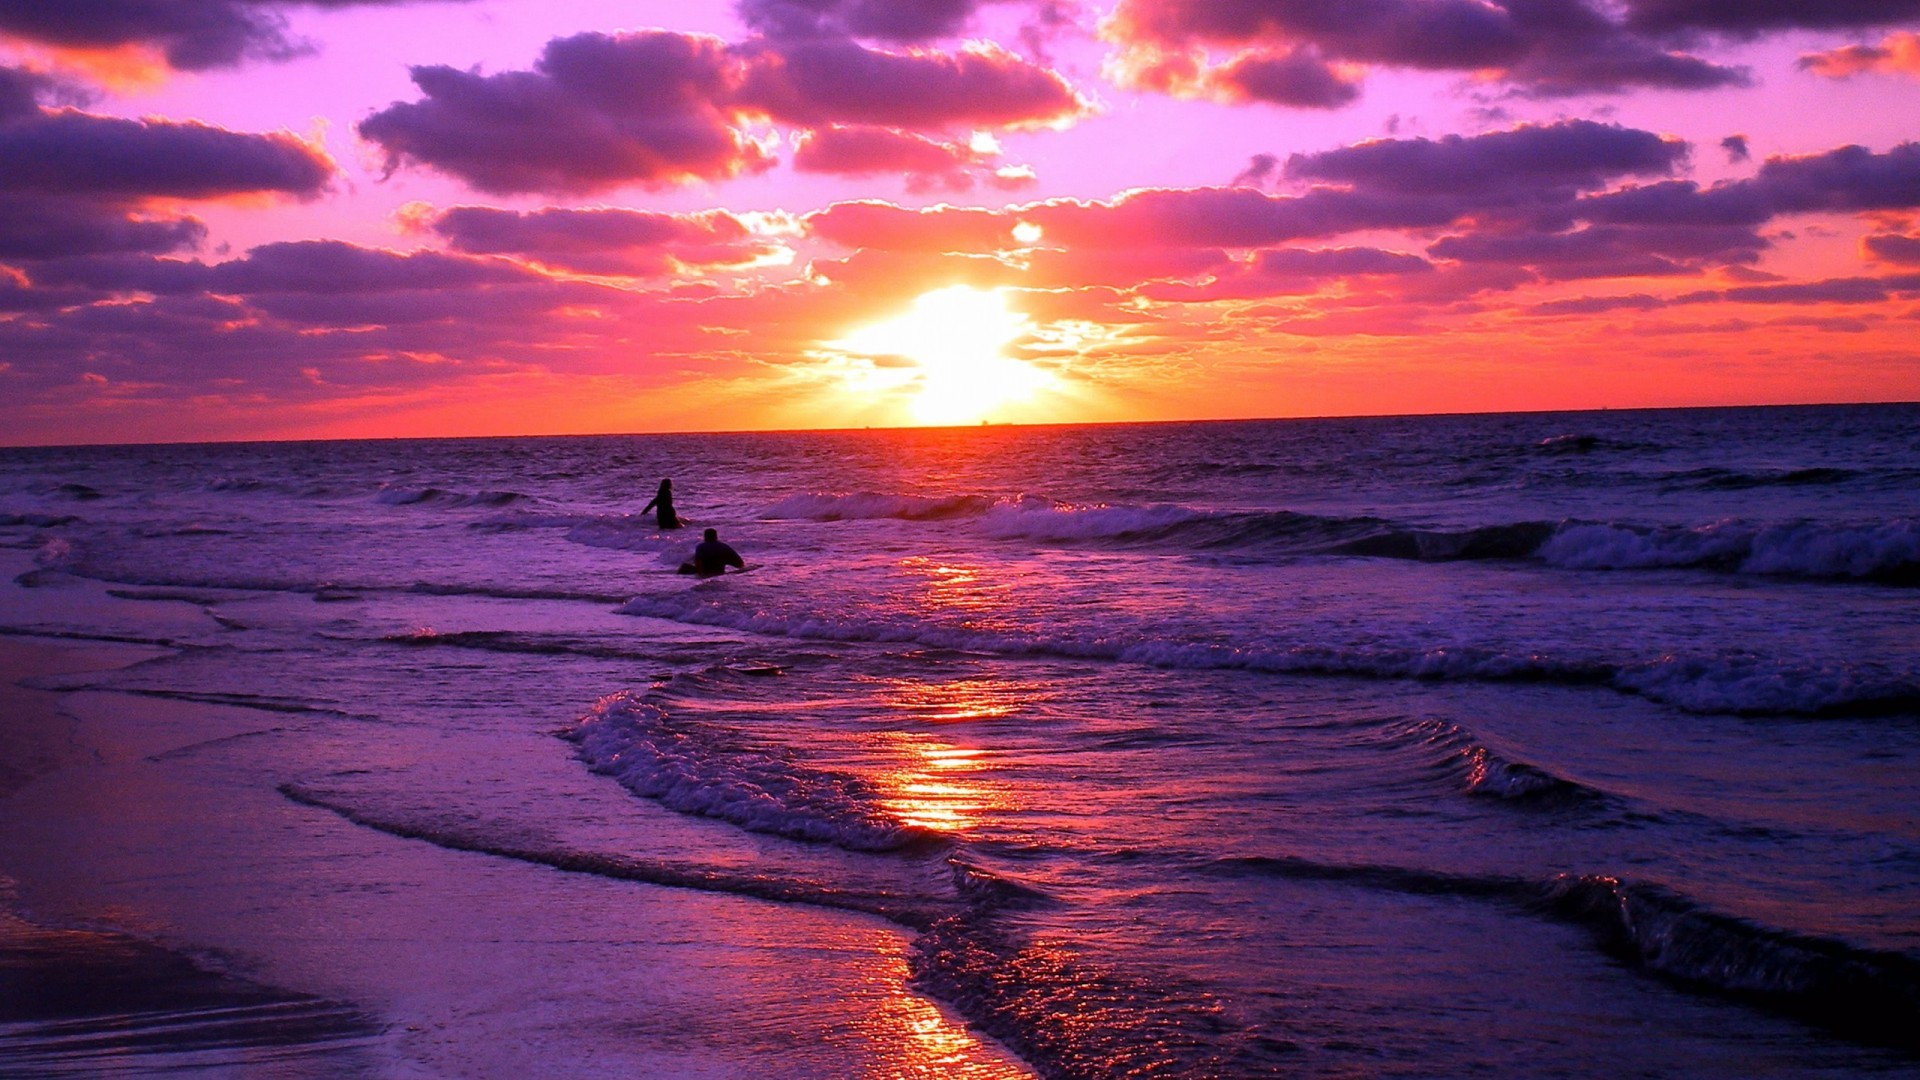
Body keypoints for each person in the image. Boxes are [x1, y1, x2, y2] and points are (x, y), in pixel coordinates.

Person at [680, 527, 745, 577]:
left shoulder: (701, 547)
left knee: (684, 567)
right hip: (719, 572)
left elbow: (698, 561)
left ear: (705, 537)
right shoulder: (724, 547)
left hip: (705, 573)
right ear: (716, 537)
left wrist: (700, 575)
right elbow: (740, 563)